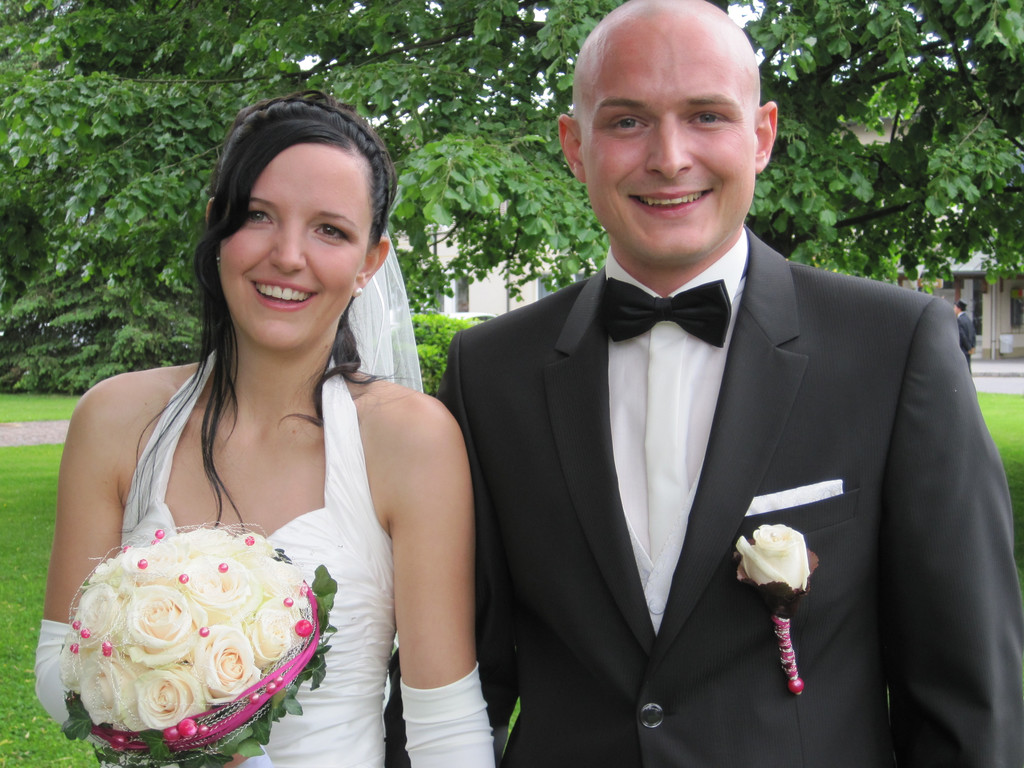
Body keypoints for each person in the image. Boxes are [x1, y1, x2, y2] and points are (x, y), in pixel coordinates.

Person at [385, 1, 1024, 766]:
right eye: (627, 121)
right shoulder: (491, 373)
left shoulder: (892, 348)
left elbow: (967, 699)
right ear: (575, 147)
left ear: (762, 136)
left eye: (707, 116)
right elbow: (456, 682)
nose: (669, 157)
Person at [34, 91, 495, 768]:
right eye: (258, 216)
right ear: (216, 226)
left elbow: (445, 727)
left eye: (329, 230)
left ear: (370, 261)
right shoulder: (114, 419)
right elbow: (57, 665)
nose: (288, 255)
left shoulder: (410, 440)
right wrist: (190, 721)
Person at [956, 298, 977, 371]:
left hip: (963, 349)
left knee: (963, 369)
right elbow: (973, 332)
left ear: (958, 308)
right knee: (967, 368)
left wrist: (968, 347)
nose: (954, 309)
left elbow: (962, 335)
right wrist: (972, 346)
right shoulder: (968, 319)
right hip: (968, 349)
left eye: (955, 307)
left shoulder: (959, 320)